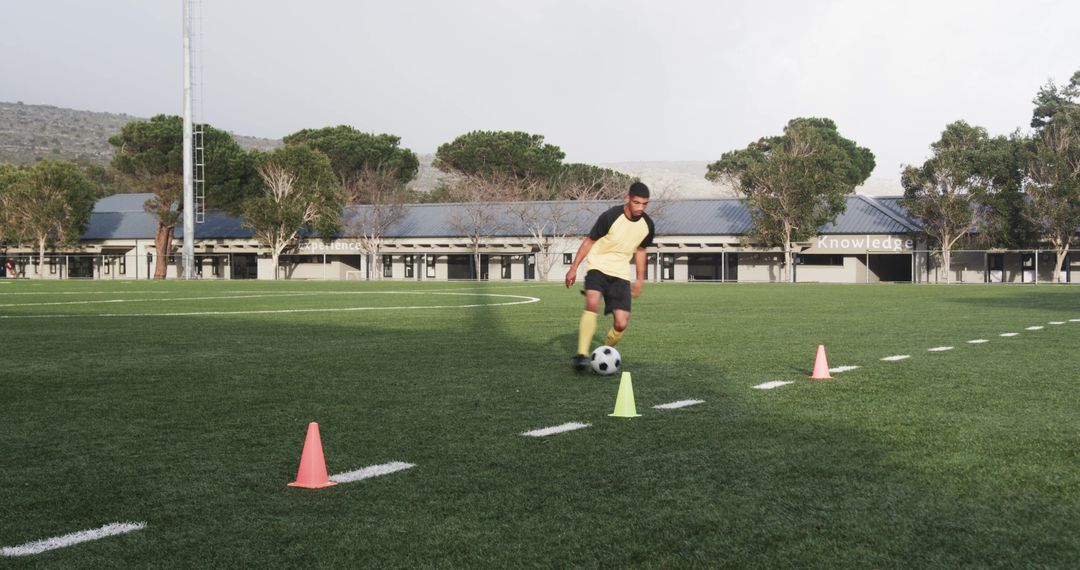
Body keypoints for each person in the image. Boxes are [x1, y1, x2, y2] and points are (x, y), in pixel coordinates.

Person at [565, 181, 655, 372]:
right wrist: (573, 268)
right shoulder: (611, 216)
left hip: (621, 274)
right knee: (592, 301)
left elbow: (640, 250)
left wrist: (639, 279)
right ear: (627, 199)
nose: (640, 207)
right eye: (636, 203)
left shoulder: (647, 225)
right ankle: (581, 355)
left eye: (644, 204)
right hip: (598, 266)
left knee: (621, 323)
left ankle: (606, 351)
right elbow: (589, 241)